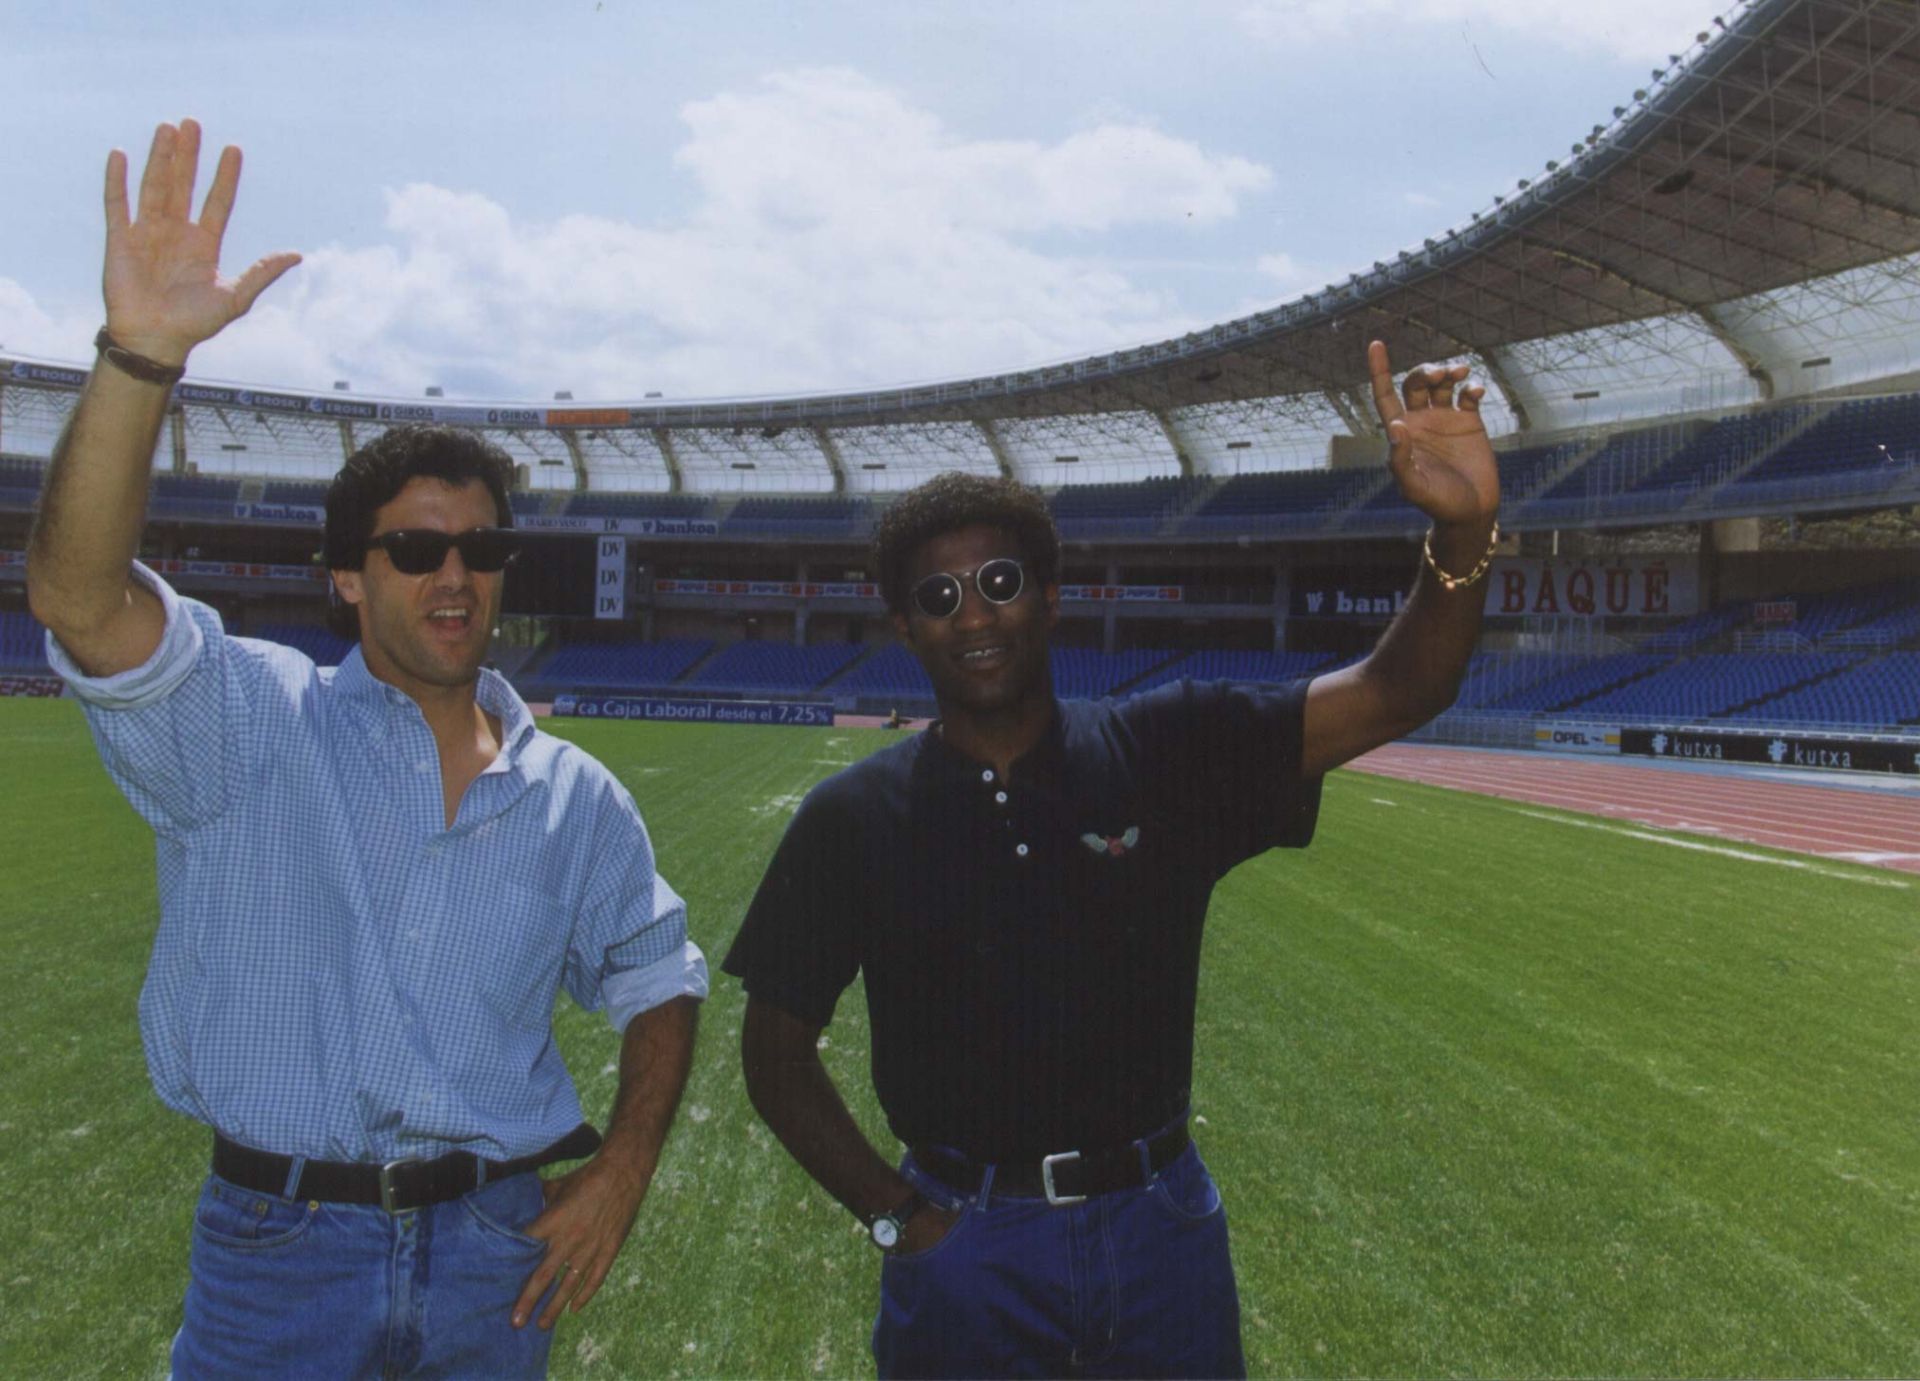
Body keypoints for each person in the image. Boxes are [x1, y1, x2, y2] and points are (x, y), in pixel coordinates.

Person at [26, 119, 706, 1378]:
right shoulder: (249, 719)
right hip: (280, 1255)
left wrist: (623, 1165)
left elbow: (659, 977)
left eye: (482, 552)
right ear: (349, 576)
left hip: (499, 1259)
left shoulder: (574, 794)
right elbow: (77, 598)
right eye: (412, 550)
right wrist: (138, 358)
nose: (455, 577)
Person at [724, 346, 1499, 1378]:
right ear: (904, 624)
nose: (975, 614)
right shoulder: (850, 818)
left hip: (1159, 1230)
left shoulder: (1169, 750)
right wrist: (897, 1221)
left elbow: (1400, 689)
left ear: (1049, 596)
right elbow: (774, 1055)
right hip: (966, 1242)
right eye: (941, 595)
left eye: (999, 582)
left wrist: (1462, 526)